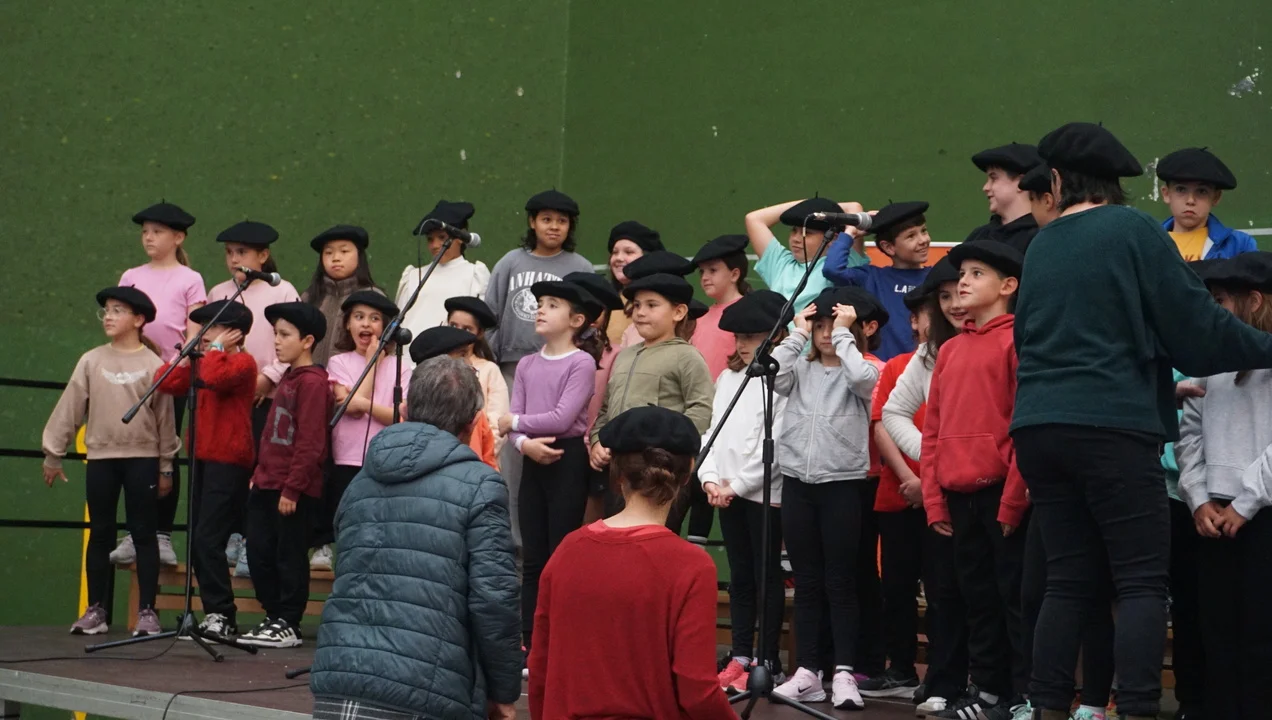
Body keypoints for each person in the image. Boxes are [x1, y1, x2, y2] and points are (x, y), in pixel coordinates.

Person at [1012, 122, 1272, 720]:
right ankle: (1134, 708)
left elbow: (1035, 342)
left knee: (1066, 581)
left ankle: (1046, 706)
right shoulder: (1132, 230)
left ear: (1057, 180)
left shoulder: (1041, 245)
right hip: (1112, 430)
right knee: (1139, 581)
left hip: (1039, 429)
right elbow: (1198, 329)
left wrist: (1152, 375)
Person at [310, 356, 522, 720]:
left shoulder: (361, 481)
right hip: (425, 692)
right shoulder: (481, 486)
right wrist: (503, 690)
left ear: (405, 410)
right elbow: (494, 599)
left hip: (340, 679)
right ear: (474, 422)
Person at [528, 405, 735, 720]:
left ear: (617, 473)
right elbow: (697, 690)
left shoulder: (568, 551)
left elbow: (540, 666)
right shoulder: (691, 566)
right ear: (688, 471)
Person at [920, 240, 1029, 720]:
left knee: (1014, 598)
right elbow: (933, 431)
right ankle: (987, 692)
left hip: (1001, 497)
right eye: (962, 273)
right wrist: (934, 500)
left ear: (1008, 286)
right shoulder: (949, 350)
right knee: (976, 598)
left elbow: (1023, 427)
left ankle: (1022, 696)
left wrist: (1012, 501)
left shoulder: (1016, 342)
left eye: (977, 274)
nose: (963, 282)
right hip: (956, 497)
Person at [769, 286, 881, 710]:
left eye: (835, 326)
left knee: (840, 580)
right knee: (808, 580)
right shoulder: (799, 368)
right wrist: (796, 334)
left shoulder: (859, 369)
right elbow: (771, 374)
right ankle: (808, 672)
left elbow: (864, 380)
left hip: (842, 486)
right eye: (820, 326)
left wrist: (847, 335)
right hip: (798, 484)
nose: (827, 333)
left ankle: (844, 672)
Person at [43, 287, 178, 637]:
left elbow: (166, 421)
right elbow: (70, 408)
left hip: (143, 460)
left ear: (139, 319)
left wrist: (166, 466)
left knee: (144, 533)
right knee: (100, 532)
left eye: (118, 310)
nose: (109, 316)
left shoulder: (155, 366)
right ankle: (96, 611)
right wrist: (53, 453)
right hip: (102, 459)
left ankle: (147, 612)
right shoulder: (91, 360)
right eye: (106, 310)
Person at [1175, 252, 1272, 720]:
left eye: (1220, 301)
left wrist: (1246, 501)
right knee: (1217, 632)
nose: (1211, 310)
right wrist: (1198, 498)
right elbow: (1189, 433)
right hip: (1214, 515)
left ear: (1253, 301)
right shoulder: (1211, 361)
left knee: (1260, 633)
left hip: (1261, 515)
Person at [485, 189, 594, 550]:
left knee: (554, 458)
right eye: (546, 219)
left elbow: (592, 322)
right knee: (513, 462)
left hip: (562, 372)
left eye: (562, 221)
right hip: (514, 367)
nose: (554, 227)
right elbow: (491, 314)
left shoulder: (580, 267)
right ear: (532, 222)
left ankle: (549, 550)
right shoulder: (510, 262)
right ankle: (514, 543)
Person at [499, 280, 601, 659]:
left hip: (566, 460)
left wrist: (513, 424)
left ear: (576, 320)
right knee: (533, 556)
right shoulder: (527, 363)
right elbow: (516, 423)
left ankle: (559, 636)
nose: (540, 309)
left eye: (552, 304)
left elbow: (561, 418)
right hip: (532, 458)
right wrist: (522, 443)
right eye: (540, 303)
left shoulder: (581, 363)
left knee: (561, 554)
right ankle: (530, 639)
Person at [700, 289, 791, 693]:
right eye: (738, 337)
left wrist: (736, 485)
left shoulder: (781, 382)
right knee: (740, 576)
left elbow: (776, 442)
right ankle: (739, 654)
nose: (741, 344)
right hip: (725, 492)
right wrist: (710, 478)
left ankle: (766, 658)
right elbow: (713, 431)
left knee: (765, 575)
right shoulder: (729, 378)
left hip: (762, 494)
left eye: (751, 336)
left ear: (775, 336)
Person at [155, 300, 257, 640]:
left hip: (229, 460)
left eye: (213, 327)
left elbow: (215, 377)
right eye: (203, 328)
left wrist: (214, 349)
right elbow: (164, 382)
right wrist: (185, 356)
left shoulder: (242, 363)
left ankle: (222, 614)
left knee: (208, 538)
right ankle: (209, 612)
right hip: (201, 458)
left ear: (234, 333)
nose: (205, 333)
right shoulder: (206, 360)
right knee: (197, 538)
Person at [206, 220, 301, 578]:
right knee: (229, 472)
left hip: (267, 399)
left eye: (242, 252)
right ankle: (231, 533)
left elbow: (292, 342)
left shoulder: (283, 291)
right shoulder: (219, 293)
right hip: (230, 400)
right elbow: (211, 342)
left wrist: (266, 379)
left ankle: (252, 540)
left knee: (262, 470)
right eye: (229, 252)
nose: (234, 259)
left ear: (263, 256)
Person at [113, 201, 205, 568]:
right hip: (132, 377)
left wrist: (176, 366)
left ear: (178, 237)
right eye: (145, 232)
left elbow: (194, 331)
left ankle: (162, 535)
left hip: (170, 376)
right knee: (134, 453)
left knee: (167, 449)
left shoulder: (190, 279)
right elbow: (119, 322)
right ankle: (136, 533)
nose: (148, 237)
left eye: (157, 232)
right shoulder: (130, 275)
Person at [239, 302, 331, 648]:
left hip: (291, 490)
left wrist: (292, 489)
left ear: (307, 341)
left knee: (289, 555)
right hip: (267, 483)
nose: (277, 341)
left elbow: (310, 442)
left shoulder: (313, 383)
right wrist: (259, 473)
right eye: (275, 334)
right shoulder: (288, 379)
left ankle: (289, 622)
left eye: (285, 335)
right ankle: (274, 615)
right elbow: (272, 435)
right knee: (259, 552)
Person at [856, 285, 932, 701]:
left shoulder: (957, 363)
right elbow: (881, 424)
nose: (924, 322)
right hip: (898, 492)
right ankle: (900, 669)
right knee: (897, 587)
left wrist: (929, 485)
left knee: (945, 590)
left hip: (945, 496)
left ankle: (945, 673)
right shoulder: (898, 366)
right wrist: (908, 480)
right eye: (919, 315)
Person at [588, 273, 714, 517]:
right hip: (620, 467)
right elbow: (606, 408)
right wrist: (597, 441)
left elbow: (701, 408)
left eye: (651, 305)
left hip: (659, 473)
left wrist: (671, 449)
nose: (640, 312)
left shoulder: (687, 356)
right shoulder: (625, 356)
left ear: (678, 312)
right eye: (637, 305)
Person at [312, 291, 410, 571]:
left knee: (379, 529)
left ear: (386, 327)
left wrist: (364, 403)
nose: (366, 324)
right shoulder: (339, 362)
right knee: (349, 526)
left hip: (385, 460)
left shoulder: (401, 367)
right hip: (346, 460)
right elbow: (349, 409)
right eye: (358, 317)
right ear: (347, 324)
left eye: (374, 318)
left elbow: (399, 417)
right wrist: (371, 364)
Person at [824, 201, 932, 361]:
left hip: (926, 368)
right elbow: (832, 269)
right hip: (882, 370)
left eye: (924, 231)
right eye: (911, 236)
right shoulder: (872, 277)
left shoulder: (935, 276)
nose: (923, 240)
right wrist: (851, 233)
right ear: (888, 247)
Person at [562, 270, 625, 524]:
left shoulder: (615, 355)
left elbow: (610, 407)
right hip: (553, 452)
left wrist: (596, 443)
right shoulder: (547, 354)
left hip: (594, 455)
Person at [745, 197, 868, 313]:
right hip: (781, 329)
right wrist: (807, 207)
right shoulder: (779, 263)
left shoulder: (846, 261)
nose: (796, 239)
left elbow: (854, 207)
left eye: (807, 233)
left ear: (833, 238)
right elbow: (754, 219)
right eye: (794, 231)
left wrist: (817, 210)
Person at [396, 200, 490, 339]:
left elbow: (481, 325)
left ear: (461, 237)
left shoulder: (474, 274)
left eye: (442, 237)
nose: (435, 245)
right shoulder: (413, 276)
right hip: (409, 351)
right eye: (430, 239)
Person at [409, 326, 500, 470]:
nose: (470, 364)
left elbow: (489, 464)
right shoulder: (413, 413)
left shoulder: (475, 414)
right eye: (462, 355)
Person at [302, 224, 383, 368]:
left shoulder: (374, 298)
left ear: (359, 255)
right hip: (311, 379)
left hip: (356, 379)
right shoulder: (309, 298)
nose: (335, 258)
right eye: (328, 253)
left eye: (344, 251)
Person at [1157, 146, 1255, 261]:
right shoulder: (1148, 243)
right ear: (1166, 194)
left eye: (1201, 191)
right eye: (1181, 189)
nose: (1190, 200)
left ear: (1216, 197)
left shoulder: (1239, 246)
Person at [445, 295, 509, 451]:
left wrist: (476, 454)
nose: (458, 334)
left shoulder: (489, 370)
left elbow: (498, 424)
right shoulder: (434, 365)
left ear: (479, 333)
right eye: (453, 326)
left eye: (467, 329)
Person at [691, 234, 753, 379]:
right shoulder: (701, 318)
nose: (704, 277)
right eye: (702, 272)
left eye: (713, 270)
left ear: (734, 274)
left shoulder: (748, 312)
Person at [963, 143, 1044, 254]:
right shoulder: (979, 235)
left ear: (1021, 183)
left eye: (994, 178)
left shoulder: (1040, 239)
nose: (985, 187)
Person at [604, 220, 664, 346]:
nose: (619, 258)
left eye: (629, 252)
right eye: (615, 252)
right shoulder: (609, 299)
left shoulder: (661, 300)